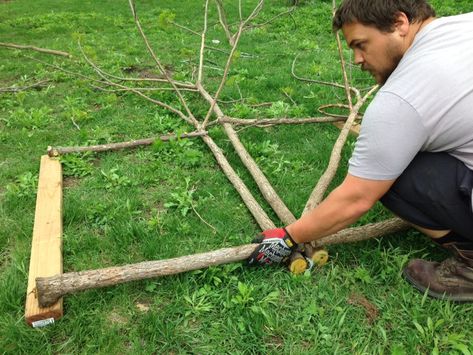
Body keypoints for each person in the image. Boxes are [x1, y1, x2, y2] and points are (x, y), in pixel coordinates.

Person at [247, 0, 473, 302]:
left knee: (393, 177)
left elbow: (357, 196)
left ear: (399, 23)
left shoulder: (401, 98)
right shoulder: (464, 25)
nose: (357, 59)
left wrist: (290, 237)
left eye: (361, 44)